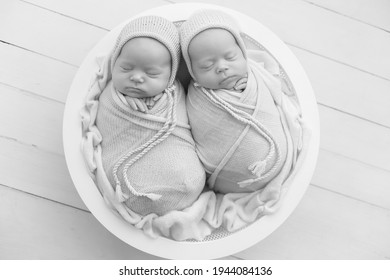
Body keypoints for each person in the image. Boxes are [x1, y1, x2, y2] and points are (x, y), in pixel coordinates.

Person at [95, 15, 206, 216]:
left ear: (171, 76)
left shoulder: (176, 95)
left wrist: (158, 104)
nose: (136, 78)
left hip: (184, 177)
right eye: (126, 68)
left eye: (152, 74)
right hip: (127, 182)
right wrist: (122, 102)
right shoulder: (108, 96)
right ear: (114, 63)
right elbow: (105, 119)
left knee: (185, 174)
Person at [180, 10, 290, 194]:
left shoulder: (256, 75)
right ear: (192, 71)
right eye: (207, 66)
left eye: (230, 57)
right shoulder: (195, 97)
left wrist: (255, 87)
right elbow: (191, 129)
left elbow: (277, 93)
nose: (222, 67)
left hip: (276, 162)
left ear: (242, 52)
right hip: (224, 181)